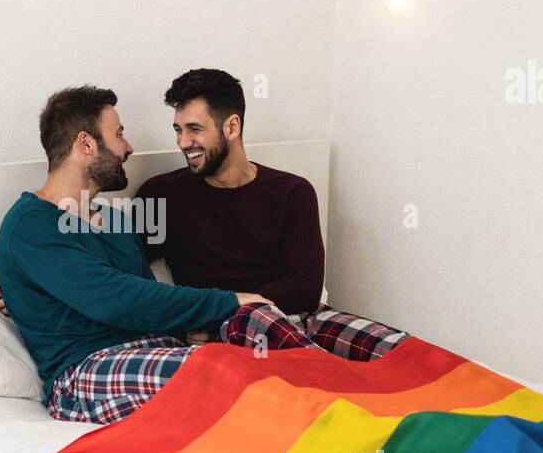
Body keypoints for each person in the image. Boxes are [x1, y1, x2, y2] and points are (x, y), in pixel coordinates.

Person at [0, 84, 343, 425]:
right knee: (228, 373)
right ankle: (335, 410)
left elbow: (147, 296)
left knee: (253, 324)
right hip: (88, 370)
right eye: (119, 134)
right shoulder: (30, 225)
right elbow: (115, 298)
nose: (128, 147)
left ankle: (346, 391)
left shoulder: (114, 221)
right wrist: (226, 301)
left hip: (161, 349)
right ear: (86, 143)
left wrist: (207, 320)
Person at [136, 67, 408, 360]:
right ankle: (339, 386)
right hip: (231, 328)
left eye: (195, 129)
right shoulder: (160, 195)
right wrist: (194, 317)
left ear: (231, 127)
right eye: (178, 130)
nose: (183, 142)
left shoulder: (293, 191)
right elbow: (131, 279)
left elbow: (305, 287)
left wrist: (229, 303)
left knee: (397, 349)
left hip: (304, 319)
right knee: (261, 323)